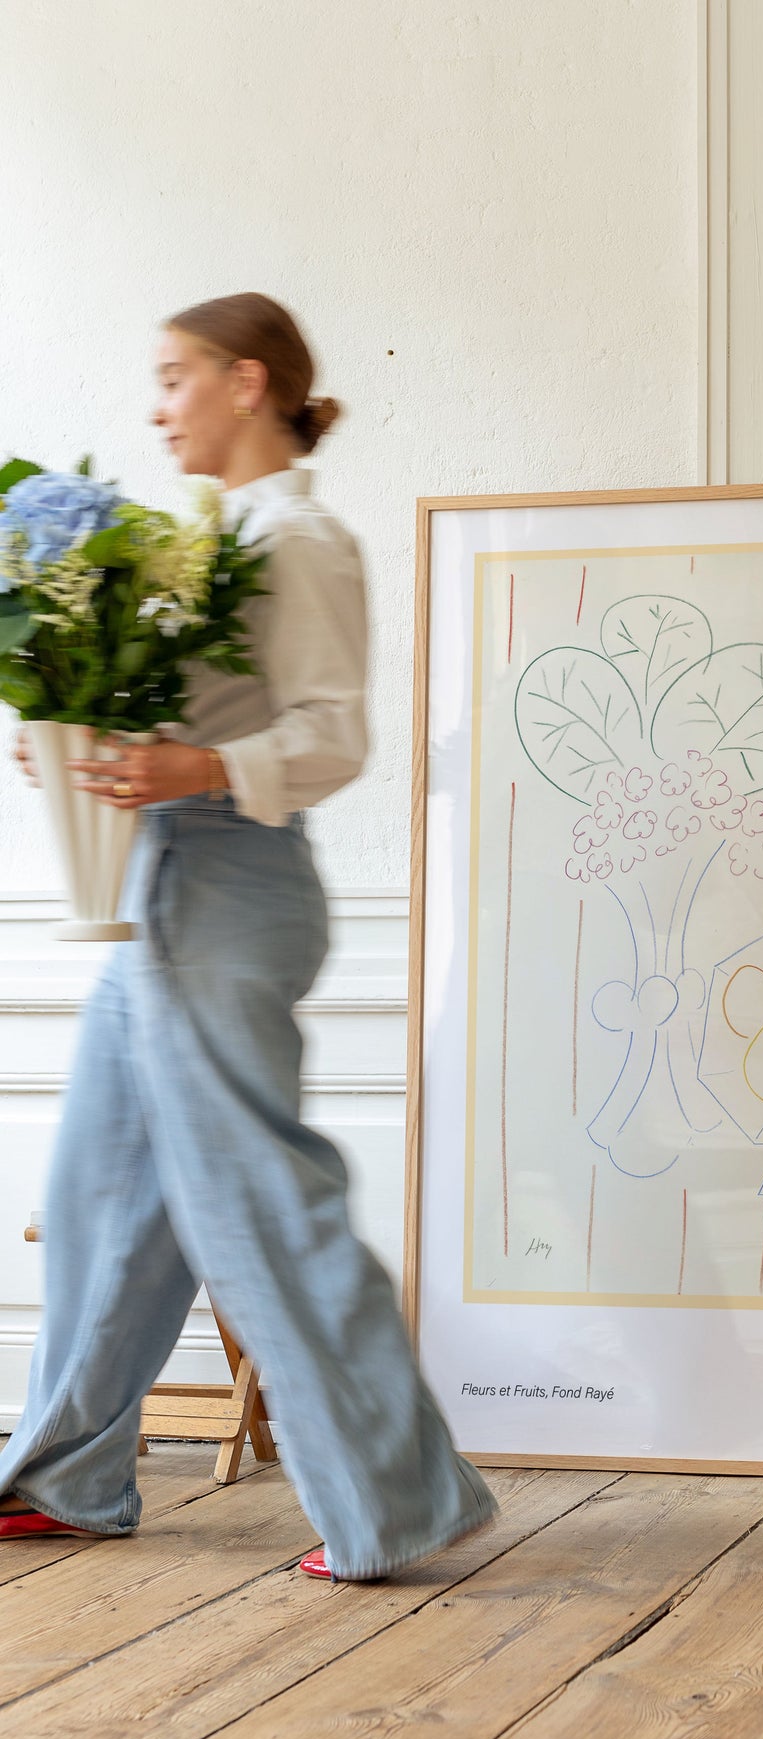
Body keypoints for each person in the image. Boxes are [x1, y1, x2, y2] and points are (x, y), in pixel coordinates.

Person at [0, 293, 495, 1580]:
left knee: (259, 1203)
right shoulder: (202, 541)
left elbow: (337, 738)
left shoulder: (302, 541)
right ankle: (66, 1477)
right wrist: (79, 743)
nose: (156, 406)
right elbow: (182, 723)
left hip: (232, 889)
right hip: (166, 887)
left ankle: (392, 1504)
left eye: (174, 377)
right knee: (104, 1195)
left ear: (246, 380)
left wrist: (189, 771)